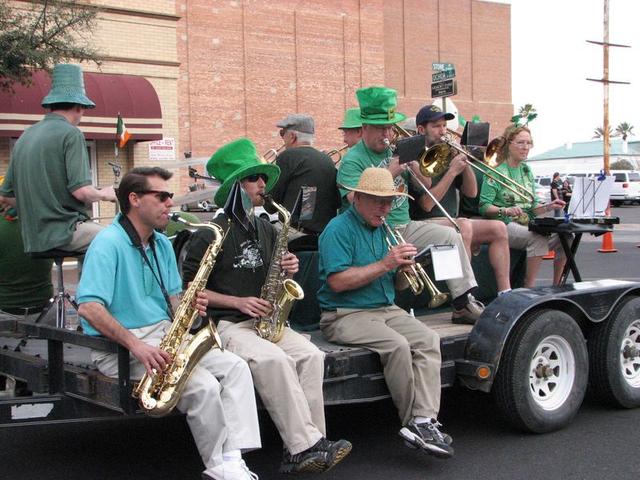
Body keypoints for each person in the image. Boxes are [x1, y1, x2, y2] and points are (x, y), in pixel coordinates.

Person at [77, 167, 261, 480]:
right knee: (202, 386)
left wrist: (190, 309)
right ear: (134, 199)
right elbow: (89, 308)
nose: (169, 204)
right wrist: (137, 346)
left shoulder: (162, 244)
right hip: (123, 344)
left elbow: (173, 300)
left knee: (235, 367)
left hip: (163, 332)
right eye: (161, 196)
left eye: (170, 196)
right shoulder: (108, 243)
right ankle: (219, 467)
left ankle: (233, 457)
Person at [182, 138, 351, 475]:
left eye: (263, 177)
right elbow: (191, 290)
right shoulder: (211, 232)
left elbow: (274, 271)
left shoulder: (265, 227)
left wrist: (287, 265)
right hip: (227, 325)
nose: (263, 184)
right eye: (254, 178)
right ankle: (305, 445)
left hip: (266, 321)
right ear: (234, 187)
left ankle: (309, 444)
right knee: (273, 360)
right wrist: (237, 301)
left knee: (311, 355)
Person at [318, 167, 453, 459]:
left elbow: (396, 284)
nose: (385, 208)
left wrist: (406, 269)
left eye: (389, 202)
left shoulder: (384, 228)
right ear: (358, 198)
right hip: (344, 314)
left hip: (385, 308)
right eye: (378, 201)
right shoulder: (337, 229)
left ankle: (424, 419)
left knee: (429, 340)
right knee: (398, 346)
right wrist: (386, 263)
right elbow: (337, 282)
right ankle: (412, 422)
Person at [337, 86, 485, 324]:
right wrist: (389, 173)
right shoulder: (352, 161)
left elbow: (426, 186)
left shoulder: (396, 148)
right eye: (379, 128)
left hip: (402, 226)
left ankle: (462, 303)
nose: (386, 133)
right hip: (370, 233)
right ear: (364, 127)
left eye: (389, 127)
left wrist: (415, 166)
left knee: (451, 236)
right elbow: (355, 202)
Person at [0, 64, 116, 254]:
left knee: (97, 240)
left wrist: (37, 206)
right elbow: (82, 192)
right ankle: (91, 284)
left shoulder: (25, 136)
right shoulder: (71, 134)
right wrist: (106, 193)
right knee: (117, 242)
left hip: (33, 238)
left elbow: (5, 196)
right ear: (79, 106)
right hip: (64, 233)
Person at [409, 104, 511, 295]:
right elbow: (427, 204)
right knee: (463, 225)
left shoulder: (447, 153)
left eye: (444, 126)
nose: (443, 131)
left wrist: (464, 162)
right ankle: (464, 297)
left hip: (449, 220)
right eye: (436, 126)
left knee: (498, 228)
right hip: (424, 221)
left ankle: (505, 292)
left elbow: (471, 193)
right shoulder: (415, 156)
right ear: (421, 130)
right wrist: (452, 171)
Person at [478, 125, 566, 287]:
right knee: (538, 238)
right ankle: (528, 287)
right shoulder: (496, 171)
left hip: (525, 223)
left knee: (566, 236)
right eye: (520, 143)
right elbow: (484, 207)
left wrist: (548, 206)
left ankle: (558, 285)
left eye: (529, 143)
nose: (526, 147)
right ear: (508, 144)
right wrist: (505, 210)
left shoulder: (526, 170)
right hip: (504, 224)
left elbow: (531, 208)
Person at [268, 114, 340, 237]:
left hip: (294, 233)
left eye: (282, 133)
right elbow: (336, 202)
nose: (282, 139)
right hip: (324, 233)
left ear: (292, 136)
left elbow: (270, 206)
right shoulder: (327, 160)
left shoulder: (287, 156)